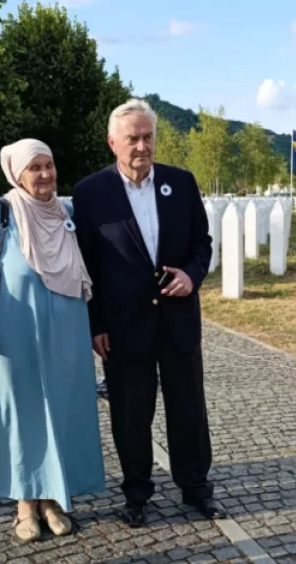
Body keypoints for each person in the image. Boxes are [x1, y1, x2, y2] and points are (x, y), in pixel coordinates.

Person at [72, 98, 222, 528]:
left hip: (177, 319)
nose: (142, 146)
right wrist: (95, 323)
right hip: (123, 325)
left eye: (148, 137)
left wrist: (193, 275)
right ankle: (137, 493)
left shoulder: (181, 181)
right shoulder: (91, 192)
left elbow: (202, 242)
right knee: (130, 412)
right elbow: (88, 264)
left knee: (188, 408)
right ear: (112, 143)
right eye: (133, 139)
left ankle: (196, 488)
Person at [0, 139, 104, 541]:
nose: (44, 175)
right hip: (14, 335)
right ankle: (24, 504)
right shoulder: (1, 213)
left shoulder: (69, 214)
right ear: (16, 173)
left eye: (49, 165)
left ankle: (51, 498)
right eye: (34, 168)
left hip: (67, 335)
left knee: (60, 409)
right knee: (21, 411)